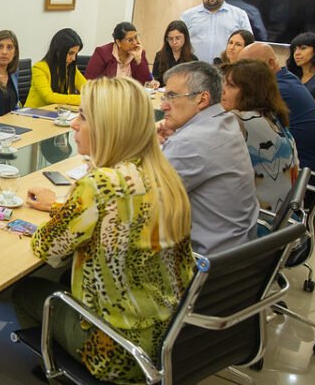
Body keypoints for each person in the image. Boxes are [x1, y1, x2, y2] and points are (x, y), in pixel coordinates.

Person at [15, 76, 194, 384]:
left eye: (83, 116)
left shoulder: (99, 185)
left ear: (108, 126)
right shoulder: (164, 174)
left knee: (24, 291)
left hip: (117, 349)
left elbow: (47, 248)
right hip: (169, 335)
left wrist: (80, 189)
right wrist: (62, 206)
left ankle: (57, 373)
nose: (74, 124)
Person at [157, 61, 258, 254]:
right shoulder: (225, 122)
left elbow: (142, 200)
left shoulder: (190, 143)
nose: (163, 105)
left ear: (202, 99)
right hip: (238, 248)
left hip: (205, 259)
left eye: (172, 96)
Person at [221, 59, 299, 212]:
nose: (222, 90)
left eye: (231, 85)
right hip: (284, 216)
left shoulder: (238, 120)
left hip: (258, 219)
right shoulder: (273, 117)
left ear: (250, 91)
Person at [238, 42, 315, 173]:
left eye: (247, 67)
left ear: (270, 63)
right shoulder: (284, 78)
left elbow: (243, 122)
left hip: (297, 170)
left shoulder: (278, 90)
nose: (240, 73)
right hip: (293, 162)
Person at [181, 0, 252, 63]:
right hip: (195, 68)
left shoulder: (239, 15)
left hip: (227, 68)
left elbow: (249, 45)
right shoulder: (188, 16)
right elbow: (179, 43)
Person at [25, 28, 87, 108]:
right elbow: (49, 97)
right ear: (58, 51)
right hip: (33, 114)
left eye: (76, 54)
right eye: (71, 53)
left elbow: (89, 89)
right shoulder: (39, 68)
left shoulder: (71, 68)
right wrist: (82, 99)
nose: (74, 58)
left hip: (58, 113)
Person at [84, 22, 155, 85]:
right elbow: (89, 82)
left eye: (136, 37)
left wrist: (139, 60)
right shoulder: (102, 53)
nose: (135, 42)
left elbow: (145, 83)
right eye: (130, 40)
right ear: (118, 42)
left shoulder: (139, 53)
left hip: (131, 95)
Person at [152, 20, 198, 86]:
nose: (174, 42)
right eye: (170, 39)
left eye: (177, 38)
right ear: (166, 39)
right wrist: (156, 83)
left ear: (185, 37)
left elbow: (193, 84)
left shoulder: (193, 60)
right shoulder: (159, 56)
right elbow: (156, 79)